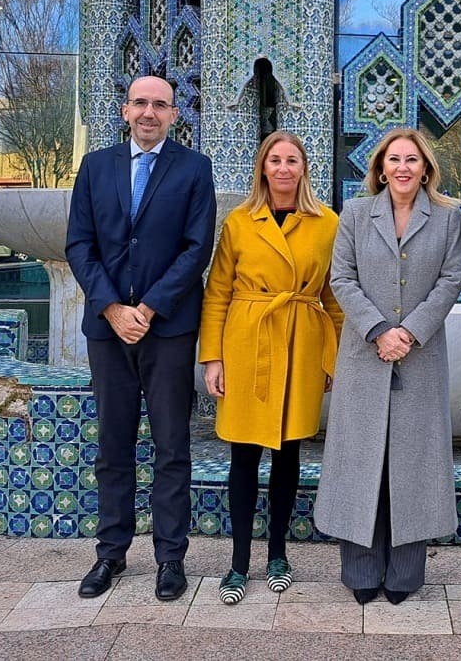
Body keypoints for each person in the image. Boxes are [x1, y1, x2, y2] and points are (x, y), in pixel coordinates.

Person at [66, 75, 216, 601]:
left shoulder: (195, 170)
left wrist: (148, 308)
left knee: (172, 446)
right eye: (140, 103)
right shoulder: (95, 166)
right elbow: (79, 244)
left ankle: (170, 557)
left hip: (168, 329)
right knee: (113, 445)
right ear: (124, 109)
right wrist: (112, 307)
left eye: (160, 104)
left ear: (175, 114)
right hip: (108, 331)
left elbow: (196, 250)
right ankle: (110, 554)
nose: (149, 112)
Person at [314, 128, 461, 605]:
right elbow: (341, 277)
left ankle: (404, 573)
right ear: (380, 168)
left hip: (419, 358)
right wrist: (379, 329)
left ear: (425, 169)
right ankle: (360, 570)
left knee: (412, 465)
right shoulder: (356, 215)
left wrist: (411, 332)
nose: (403, 168)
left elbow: (451, 278)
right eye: (394, 160)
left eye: (412, 160)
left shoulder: (447, 218)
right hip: (364, 353)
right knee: (361, 462)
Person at [198, 130, 344, 604]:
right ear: (262, 167)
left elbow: (334, 297)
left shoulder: (327, 223)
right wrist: (213, 357)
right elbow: (217, 292)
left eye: (292, 161)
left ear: (305, 168)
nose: (283, 169)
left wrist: (333, 359)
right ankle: (239, 562)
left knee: (287, 456)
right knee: (242, 457)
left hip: (301, 342)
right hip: (248, 342)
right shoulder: (239, 222)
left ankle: (277, 553)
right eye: (274, 160)